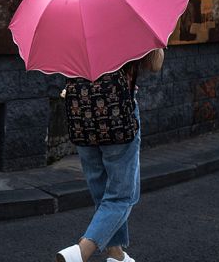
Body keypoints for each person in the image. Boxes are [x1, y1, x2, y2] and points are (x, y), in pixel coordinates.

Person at [56, 48, 165, 262]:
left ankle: (116, 255)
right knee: (124, 194)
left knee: (102, 190)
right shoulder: (129, 21)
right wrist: (159, 43)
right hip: (118, 117)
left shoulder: (73, 22)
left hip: (83, 116)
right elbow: (154, 64)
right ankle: (82, 251)